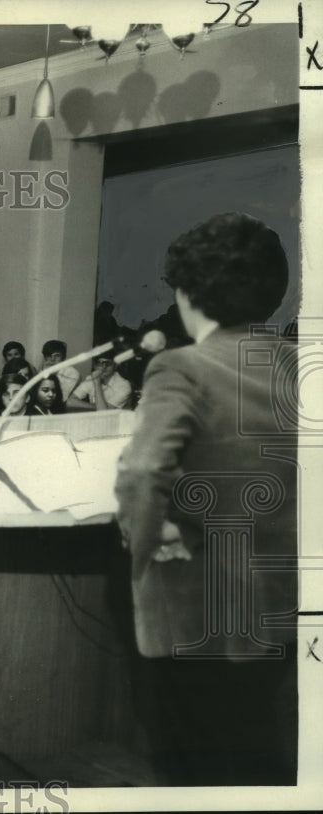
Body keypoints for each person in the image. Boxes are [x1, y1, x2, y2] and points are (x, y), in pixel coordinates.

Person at [114, 213, 297, 785]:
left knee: (190, 759)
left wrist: (144, 538)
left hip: (198, 611)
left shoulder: (181, 366)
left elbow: (143, 470)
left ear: (189, 293)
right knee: (259, 749)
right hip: (285, 603)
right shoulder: (298, 364)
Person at [66, 350, 132, 411]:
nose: (103, 367)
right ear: (95, 365)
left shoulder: (124, 385)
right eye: (100, 363)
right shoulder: (91, 379)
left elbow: (103, 412)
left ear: (115, 366)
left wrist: (97, 382)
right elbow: (70, 402)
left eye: (108, 363)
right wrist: (97, 406)